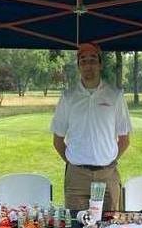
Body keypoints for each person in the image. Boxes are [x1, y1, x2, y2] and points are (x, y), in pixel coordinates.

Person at [50, 43, 132, 212]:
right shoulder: (68, 97)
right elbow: (58, 140)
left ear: (100, 64)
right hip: (77, 178)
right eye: (83, 61)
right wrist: (74, 162)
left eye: (93, 60)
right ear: (79, 66)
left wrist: (109, 162)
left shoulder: (115, 95)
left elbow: (124, 139)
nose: (88, 65)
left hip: (107, 175)